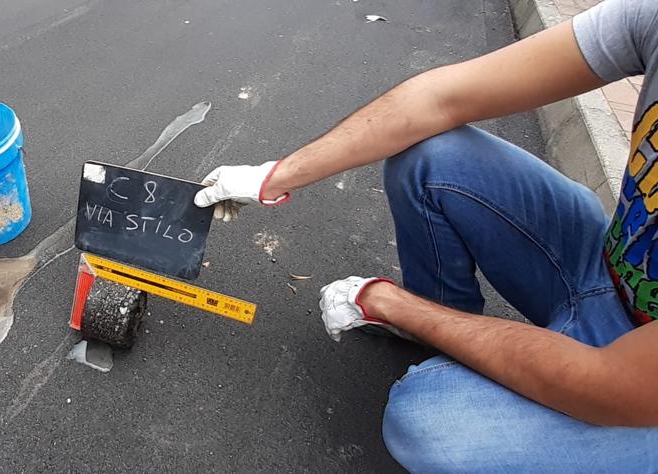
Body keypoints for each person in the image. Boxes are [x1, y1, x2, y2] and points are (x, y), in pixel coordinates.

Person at [194, 0, 658, 471]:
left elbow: (609, 382)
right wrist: (274, 177)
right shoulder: (651, 19)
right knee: (432, 156)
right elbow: (439, 99)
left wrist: (390, 304)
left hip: (635, 384)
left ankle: (439, 332)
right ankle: (446, 326)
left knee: (430, 423)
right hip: (606, 266)